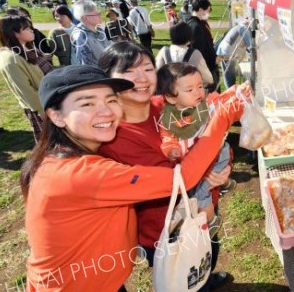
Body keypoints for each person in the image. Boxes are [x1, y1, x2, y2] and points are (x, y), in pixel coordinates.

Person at [21, 64, 242, 291]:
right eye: (87, 103)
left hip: (102, 281)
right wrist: (222, 119)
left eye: (111, 100)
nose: (105, 111)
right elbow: (182, 179)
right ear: (56, 116)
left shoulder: (60, 157)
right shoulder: (80, 174)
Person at [98, 42, 236, 290]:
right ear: (109, 80)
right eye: (129, 71)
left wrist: (223, 170)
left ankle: (206, 277)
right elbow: (178, 179)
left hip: (204, 205)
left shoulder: (169, 103)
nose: (141, 78)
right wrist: (221, 123)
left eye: (148, 68)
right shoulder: (115, 136)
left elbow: (210, 133)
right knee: (183, 276)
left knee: (208, 253)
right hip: (167, 228)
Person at [156, 63, 239, 235]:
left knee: (201, 190)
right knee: (199, 191)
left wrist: (236, 90)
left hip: (216, 154)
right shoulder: (170, 119)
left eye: (200, 86)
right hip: (195, 167)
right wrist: (171, 150)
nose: (198, 92)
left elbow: (221, 98)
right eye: (190, 90)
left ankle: (213, 214)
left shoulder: (205, 104)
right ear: (171, 98)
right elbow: (167, 138)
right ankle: (213, 213)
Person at [0, 15, 45, 142]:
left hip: (45, 102)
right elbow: (25, 91)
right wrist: (43, 111)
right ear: (14, 33)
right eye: (26, 28)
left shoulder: (25, 48)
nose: (32, 30)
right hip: (38, 108)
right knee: (49, 145)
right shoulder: (10, 58)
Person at [155, 21, 213, 85]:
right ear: (189, 36)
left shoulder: (164, 51)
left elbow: (156, 72)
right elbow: (208, 78)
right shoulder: (195, 54)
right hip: (189, 90)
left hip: (168, 90)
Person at [186, 0, 219, 92]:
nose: (208, 14)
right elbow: (198, 53)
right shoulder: (195, 27)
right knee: (212, 96)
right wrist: (213, 60)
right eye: (208, 11)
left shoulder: (198, 23)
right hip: (206, 69)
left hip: (209, 66)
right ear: (200, 10)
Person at [71, 0, 112, 66]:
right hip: (97, 74)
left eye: (100, 13)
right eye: (97, 14)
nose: (100, 16)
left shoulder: (99, 29)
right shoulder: (80, 36)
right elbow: (86, 64)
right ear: (85, 18)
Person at [216, 17, 253, 88]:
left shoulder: (240, 26)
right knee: (230, 75)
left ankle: (230, 89)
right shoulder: (243, 28)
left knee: (227, 73)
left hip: (225, 50)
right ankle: (231, 90)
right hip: (228, 52)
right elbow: (251, 45)